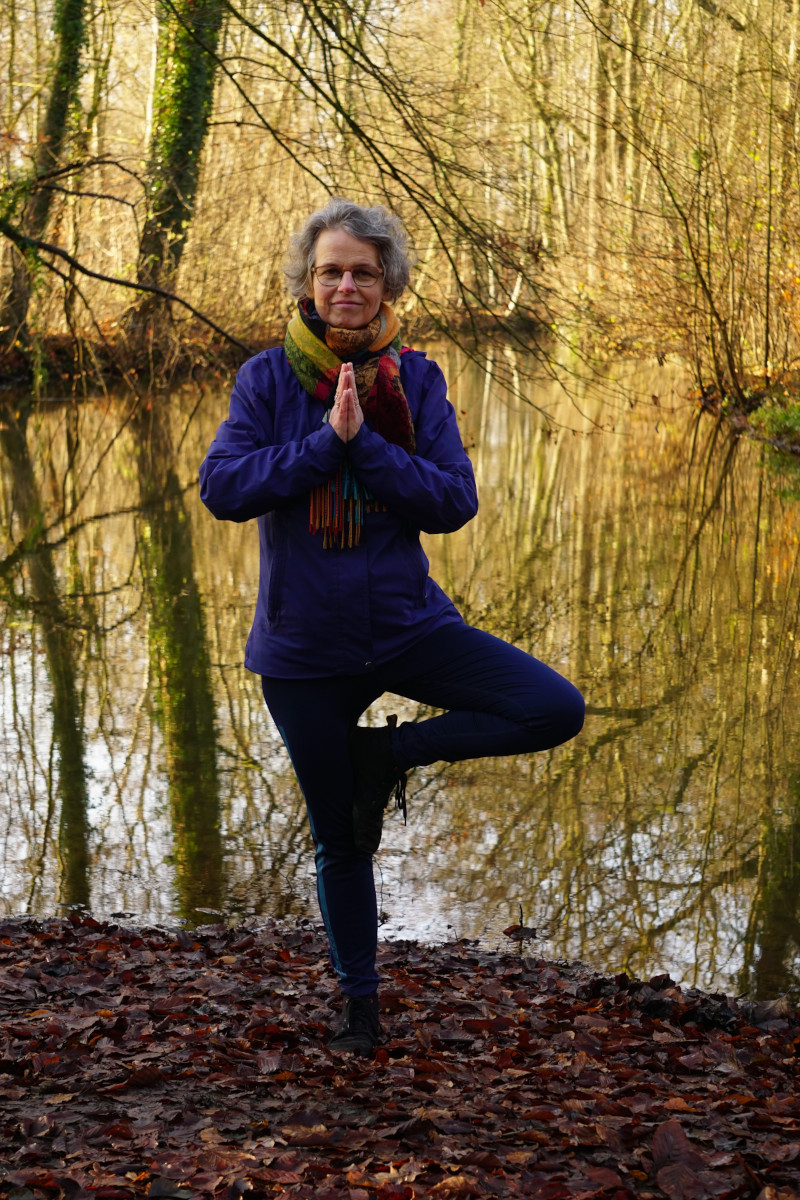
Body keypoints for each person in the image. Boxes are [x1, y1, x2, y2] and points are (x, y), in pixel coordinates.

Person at [199, 197, 585, 1056]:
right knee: (341, 840)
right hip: (303, 649)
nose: (345, 285)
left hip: (410, 628)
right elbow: (224, 489)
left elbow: (452, 500)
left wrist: (363, 443)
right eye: (331, 270)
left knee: (553, 708)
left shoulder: (417, 380)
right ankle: (360, 1007)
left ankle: (390, 754)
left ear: (387, 285)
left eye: (362, 272)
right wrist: (320, 446)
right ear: (307, 279)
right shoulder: (266, 379)